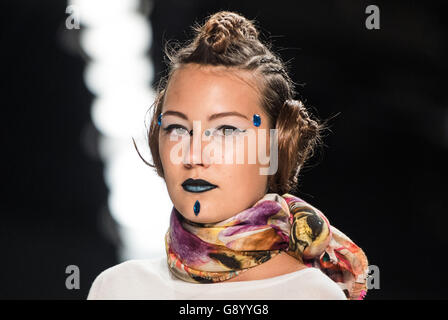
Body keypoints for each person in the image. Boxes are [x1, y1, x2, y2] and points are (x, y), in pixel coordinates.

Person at [87, 10, 369, 300]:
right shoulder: (118, 288)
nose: (194, 155)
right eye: (177, 128)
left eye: (226, 130)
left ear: (277, 147)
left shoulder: (310, 295)